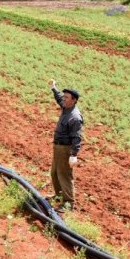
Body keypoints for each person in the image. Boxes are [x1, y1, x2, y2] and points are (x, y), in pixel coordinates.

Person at [48, 79, 84, 210]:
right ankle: (59, 196)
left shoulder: (75, 117)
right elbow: (58, 98)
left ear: (74, 100)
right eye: (64, 96)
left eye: (67, 97)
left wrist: (74, 155)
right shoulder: (65, 106)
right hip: (57, 147)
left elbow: (77, 137)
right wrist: (53, 87)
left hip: (65, 149)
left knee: (64, 175)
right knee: (55, 173)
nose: (64, 99)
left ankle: (68, 203)